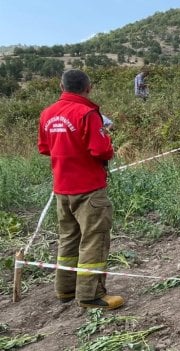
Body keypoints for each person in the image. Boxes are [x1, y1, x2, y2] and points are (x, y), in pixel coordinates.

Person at [37, 69, 123, 310]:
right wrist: (106, 138)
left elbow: (45, 148)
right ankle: (90, 294)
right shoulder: (87, 113)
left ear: (61, 86)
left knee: (68, 239)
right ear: (89, 87)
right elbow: (101, 151)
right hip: (89, 189)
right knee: (94, 239)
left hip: (62, 189)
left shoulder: (47, 113)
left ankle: (65, 290)